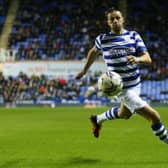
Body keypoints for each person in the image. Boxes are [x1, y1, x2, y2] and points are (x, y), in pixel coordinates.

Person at [75, 7, 168, 144]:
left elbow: (147, 58)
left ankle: (98, 119)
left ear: (123, 20)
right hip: (121, 88)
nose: (115, 21)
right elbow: (93, 52)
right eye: (111, 19)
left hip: (136, 84)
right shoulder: (103, 39)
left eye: (117, 18)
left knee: (124, 114)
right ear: (108, 22)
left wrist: (137, 59)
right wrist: (84, 70)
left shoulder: (133, 36)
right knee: (154, 116)